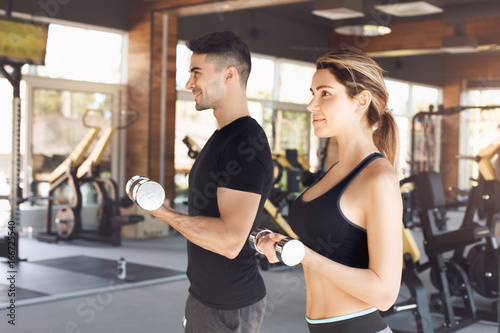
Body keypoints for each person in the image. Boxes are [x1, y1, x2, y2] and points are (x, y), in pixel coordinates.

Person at [256, 47, 403, 333]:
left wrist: (303, 255)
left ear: (361, 101)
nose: (311, 105)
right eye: (312, 93)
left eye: (325, 94)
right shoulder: (335, 170)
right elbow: (328, 246)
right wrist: (281, 242)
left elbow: (385, 295)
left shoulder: (378, 179)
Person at [147, 31, 273, 332]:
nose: (189, 83)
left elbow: (230, 240)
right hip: (208, 299)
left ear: (229, 75)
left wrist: (161, 212)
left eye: (196, 73)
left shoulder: (245, 143)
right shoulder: (223, 137)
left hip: (229, 306)